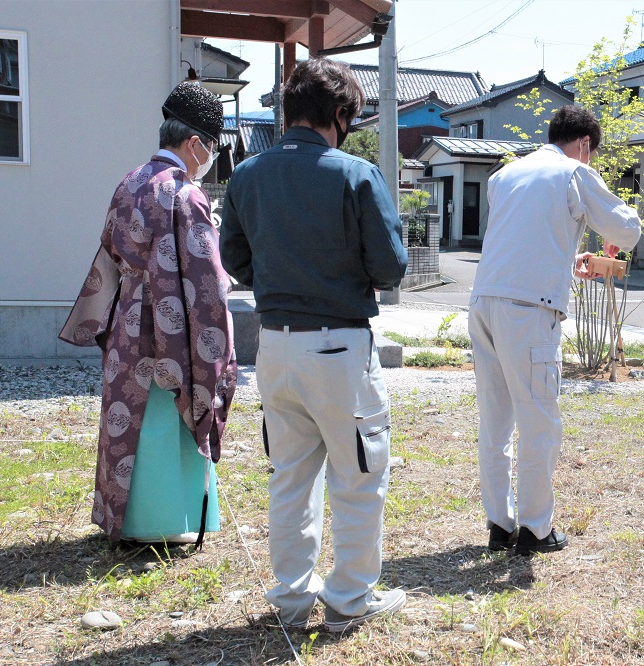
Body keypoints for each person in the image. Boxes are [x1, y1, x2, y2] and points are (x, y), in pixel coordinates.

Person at [219, 57, 409, 632]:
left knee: (290, 477)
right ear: (339, 114)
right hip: (341, 348)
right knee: (357, 478)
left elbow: (235, 260)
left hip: (274, 346)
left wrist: (283, 274)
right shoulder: (354, 174)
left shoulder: (248, 174)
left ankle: (291, 599)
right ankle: (350, 599)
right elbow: (392, 265)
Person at [60, 82, 237, 547]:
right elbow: (205, 281)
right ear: (194, 143)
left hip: (126, 320)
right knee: (170, 413)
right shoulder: (184, 194)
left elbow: (108, 253)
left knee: (131, 416)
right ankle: (168, 520)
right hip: (170, 327)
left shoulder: (130, 180)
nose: (212, 155)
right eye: (212, 145)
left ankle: (128, 519)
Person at [468, 105, 642, 556]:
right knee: (539, 419)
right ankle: (536, 529)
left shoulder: (504, 176)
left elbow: (523, 240)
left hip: (484, 301)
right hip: (528, 311)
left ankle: (499, 524)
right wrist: (610, 234)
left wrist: (569, 264)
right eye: (591, 154)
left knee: (496, 421)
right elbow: (627, 230)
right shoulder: (573, 172)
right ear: (584, 144)